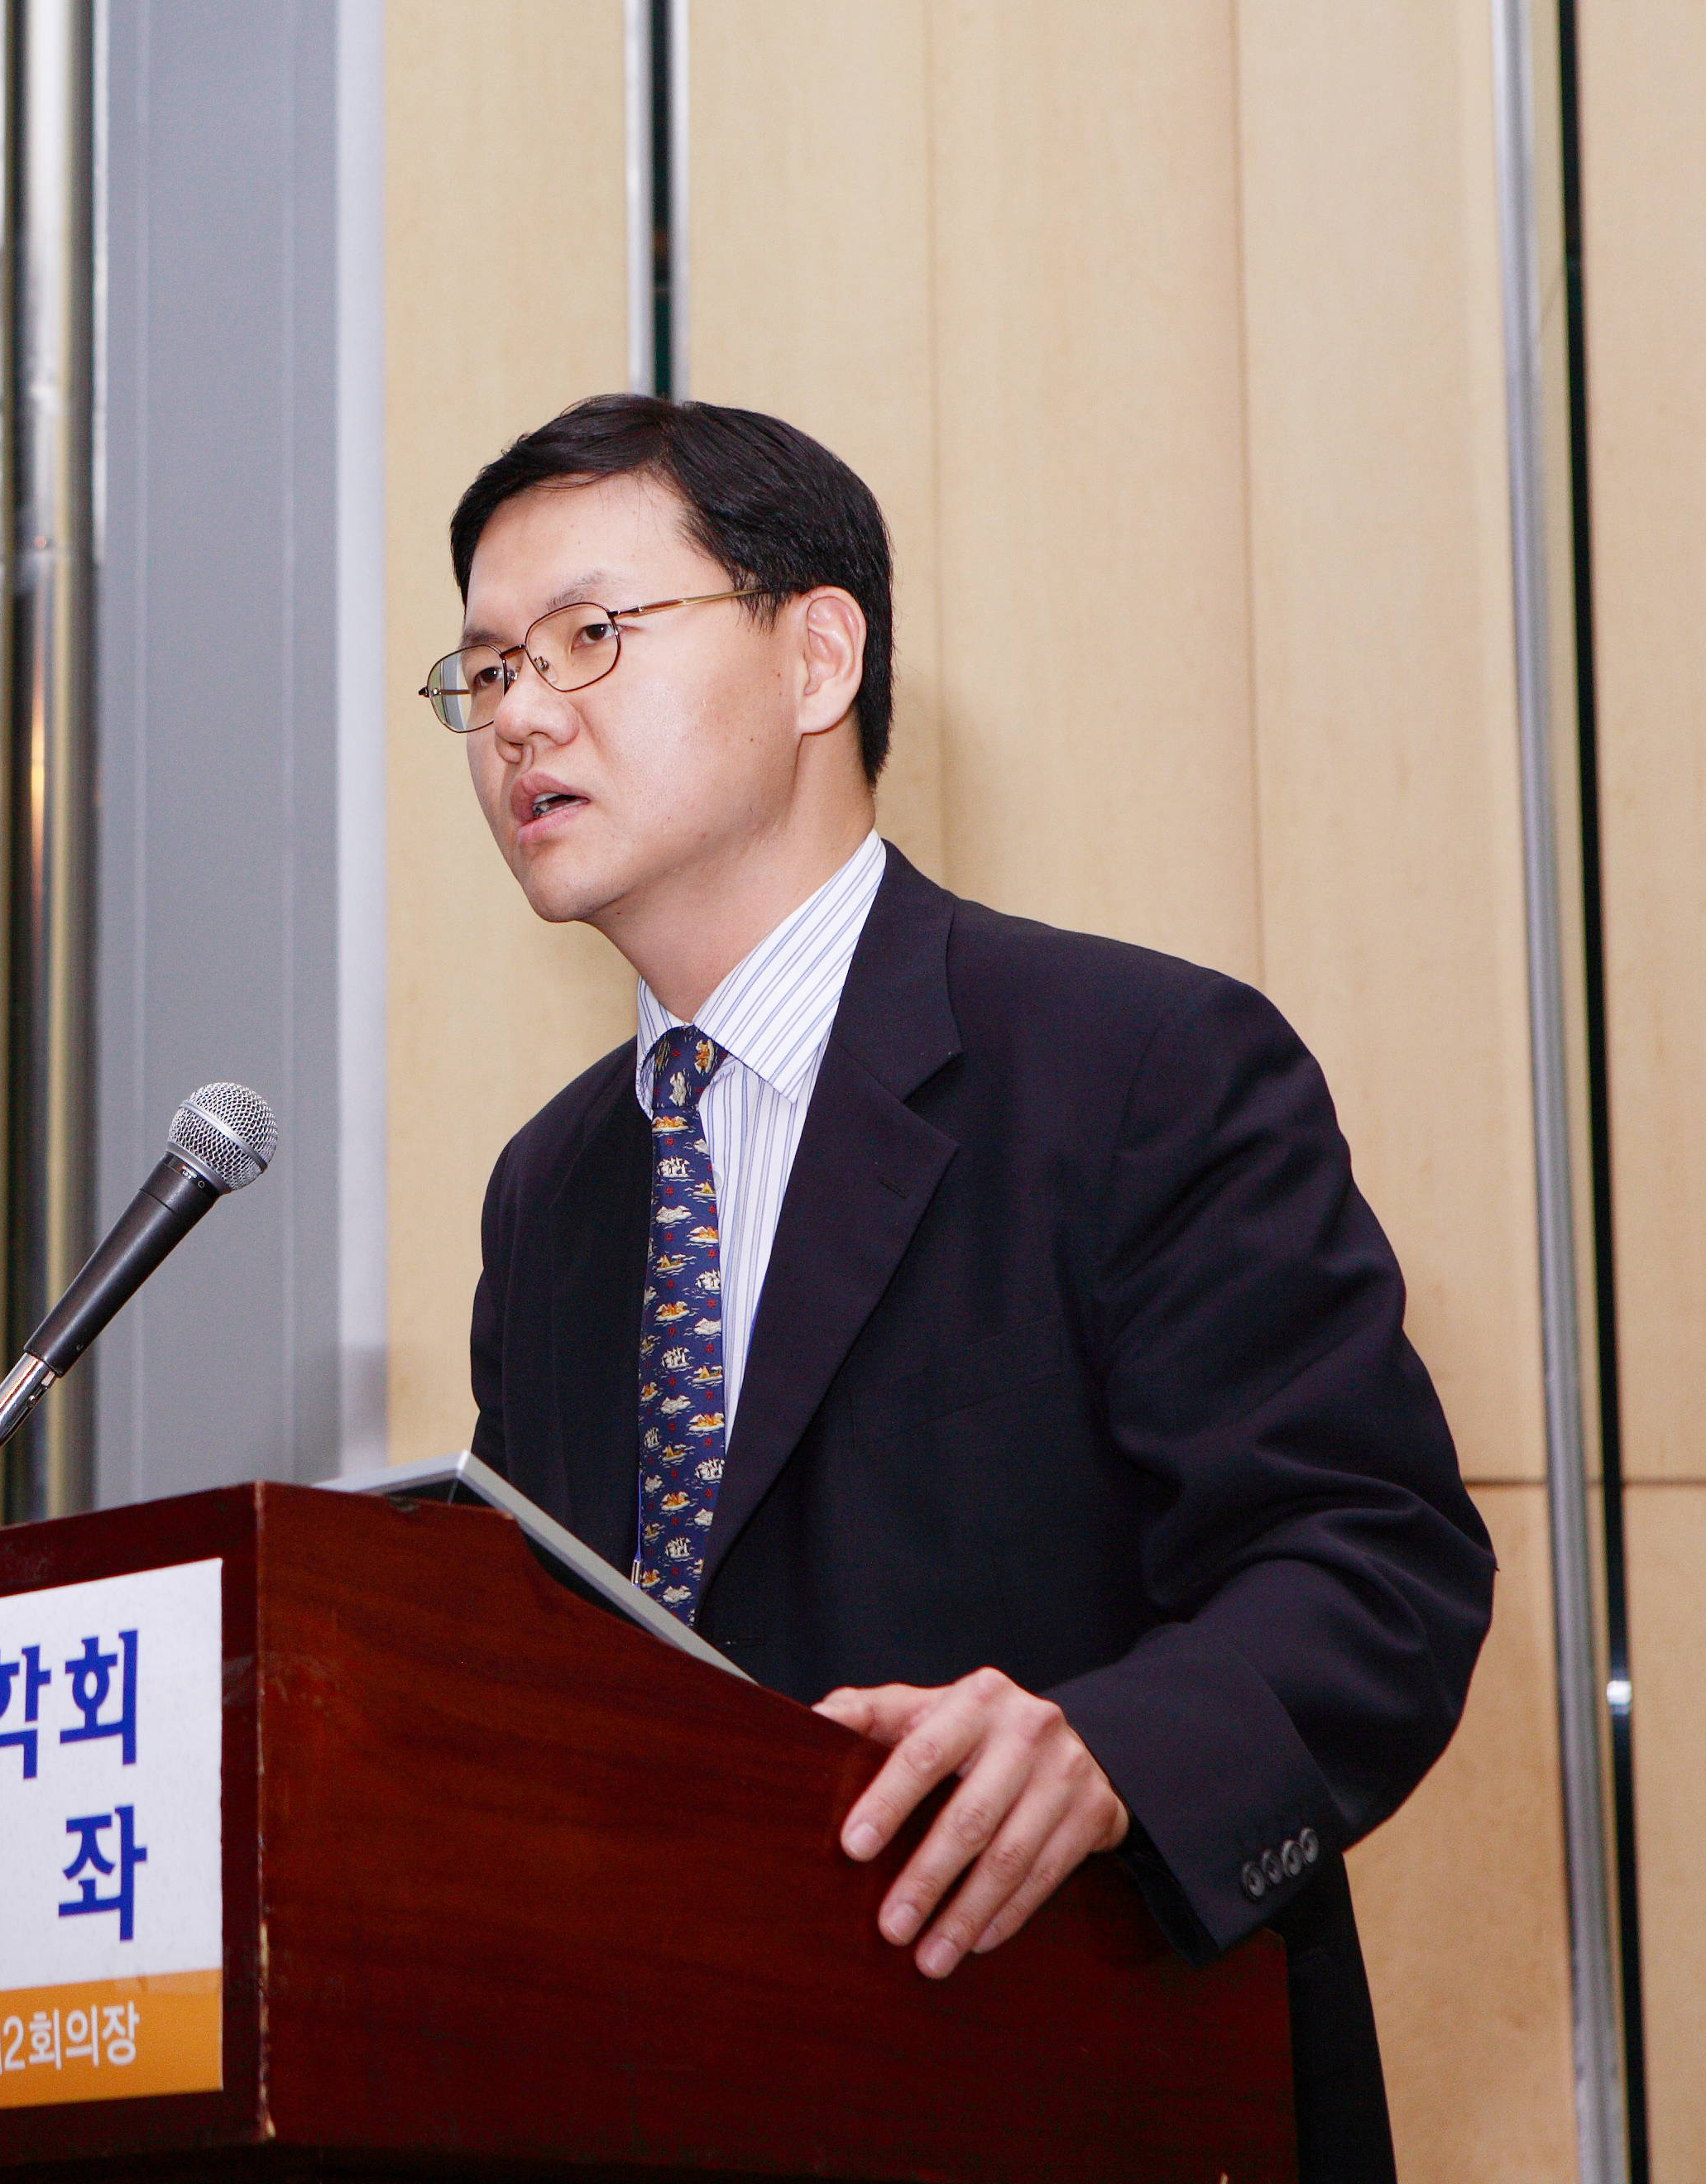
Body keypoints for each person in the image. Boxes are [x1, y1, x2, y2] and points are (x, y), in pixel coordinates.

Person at [437, 394, 1494, 2183]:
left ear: (818, 655)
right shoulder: (558, 1188)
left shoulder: (1136, 1063)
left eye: (589, 637)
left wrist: (1109, 1751)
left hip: (1098, 2085)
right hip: (685, 2098)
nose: (522, 714)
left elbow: (1374, 1565)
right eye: (484, 672)